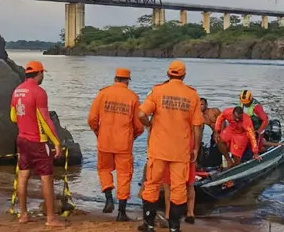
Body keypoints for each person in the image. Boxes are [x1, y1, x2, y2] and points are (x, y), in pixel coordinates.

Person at [138, 60, 203, 232]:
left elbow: (141, 114)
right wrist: (195, 149)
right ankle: (174, 227)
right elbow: (197, 126)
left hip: (158, 149)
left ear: (168, 74)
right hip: (180, 151)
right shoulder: (192, 95)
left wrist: (149, 124)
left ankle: (149, 224)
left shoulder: (158, 91)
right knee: (179, 188)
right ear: (184, 75)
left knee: (151, 185)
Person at [10, 61, 66, 227]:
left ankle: (23, 215)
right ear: (39, 73)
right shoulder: (39, 92)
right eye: (43, 73)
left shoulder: (17, 90)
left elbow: (13, 116)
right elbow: (45, 119)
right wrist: (56, 142)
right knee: (46, 178)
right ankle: (51, 218)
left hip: (22, 139)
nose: (43, 76)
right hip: (38, 141)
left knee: (23, 175)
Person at [87, 68, 144, 221]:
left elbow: (92, 119)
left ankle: (108, 198)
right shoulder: (133, 97)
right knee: (124, 175)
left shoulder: (103, 94)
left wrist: (99, 133)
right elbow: (139, 126)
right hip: (124, 144)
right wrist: (134, 136)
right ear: (127, 80)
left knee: (104, 169)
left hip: (104, 141)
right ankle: (121, 213)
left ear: (115, 78)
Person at [163, 131, 196, 225]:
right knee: (189, 183)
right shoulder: (190, 116)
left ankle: (168, 214)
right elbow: (197, 128)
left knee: (168, 184)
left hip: (169, 146)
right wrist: (196, 148)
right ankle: (190, 213)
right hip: (187, 144)